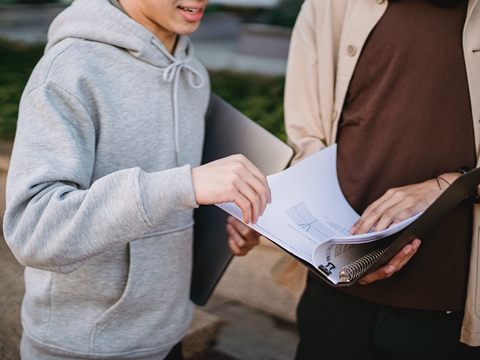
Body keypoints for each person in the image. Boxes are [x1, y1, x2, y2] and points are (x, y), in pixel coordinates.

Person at [2, 0, 270, 359]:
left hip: (169, 333)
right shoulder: (69, 70)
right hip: (84, 346)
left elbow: (182, 198)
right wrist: (184, 185)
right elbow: (33, 232)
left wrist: (228, 221)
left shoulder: (192, 72)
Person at [278, 0, 480, 358]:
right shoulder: (329, 5)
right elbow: (306, 137)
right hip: (332, 287)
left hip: (447, 303)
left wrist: (449, 187)